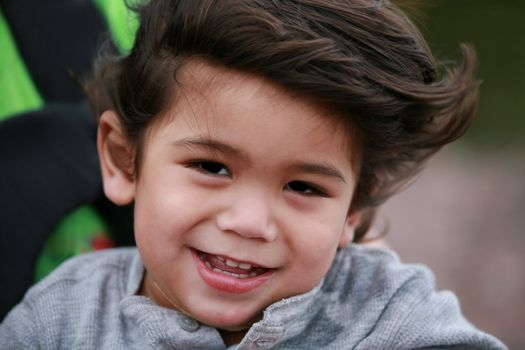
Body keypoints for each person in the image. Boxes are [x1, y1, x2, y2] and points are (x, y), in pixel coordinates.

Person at [0, 0, 508, 348]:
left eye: (304, 187)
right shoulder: (63, 315)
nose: (249, 223)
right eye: (211, 167)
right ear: (122, 159)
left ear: (354, 207)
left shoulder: (383, 311)